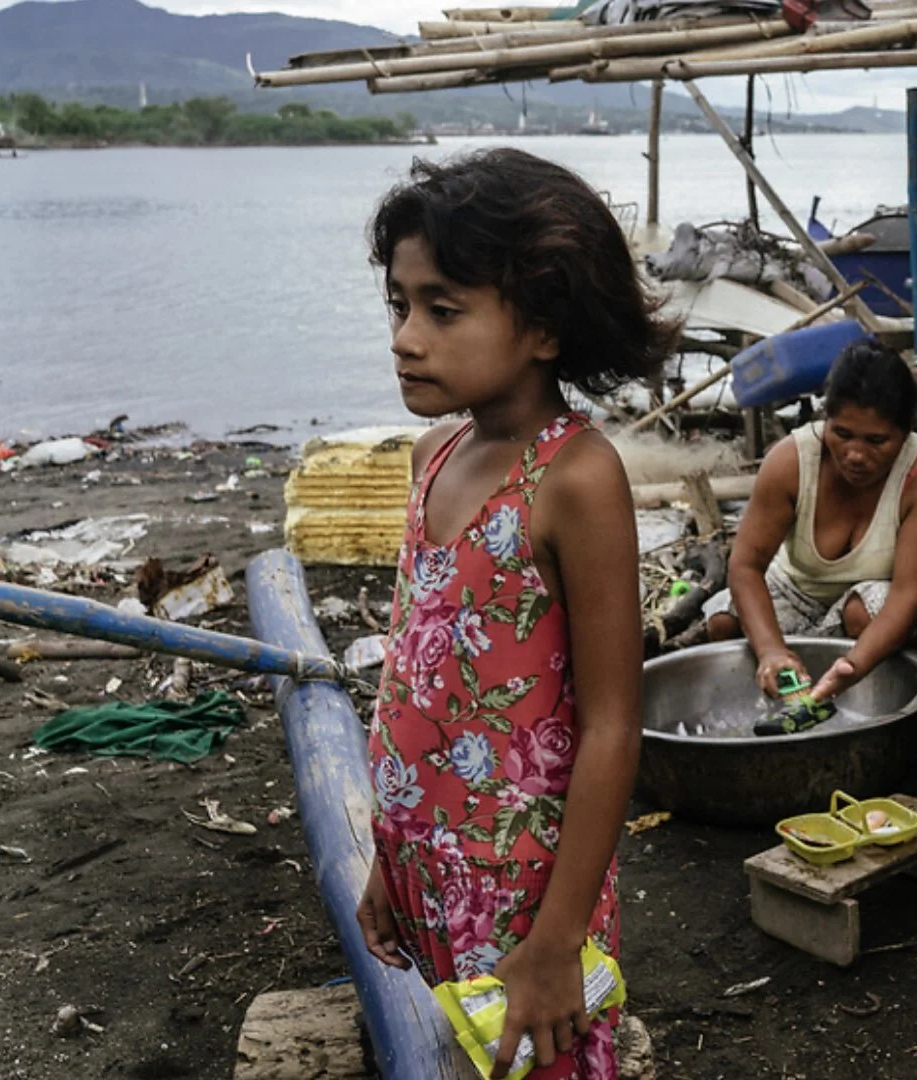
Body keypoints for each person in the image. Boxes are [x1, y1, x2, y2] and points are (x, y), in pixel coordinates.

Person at [354, 148, 677, 1080]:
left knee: (545, 1065)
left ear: (541, 326)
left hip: (525, 887)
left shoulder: (574, 479)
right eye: (400, 305)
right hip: (424, 866)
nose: (406, 336)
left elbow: (615, 723)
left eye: (442, 310)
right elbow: (419, 669)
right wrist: (389, 852)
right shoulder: (431, 458)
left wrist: (557, 938)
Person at [704, 337, 917, 704]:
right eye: (842, 433)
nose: (856, 454)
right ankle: (798, 668)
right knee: (724, 625)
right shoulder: (791, 461)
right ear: (826, 419)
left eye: (876, 441)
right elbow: (745, 567)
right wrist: (771, 651)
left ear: (905, 434)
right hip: (803, 590)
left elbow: (906, 595)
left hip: (904, 589)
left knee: (863, 614)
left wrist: (850, 669)